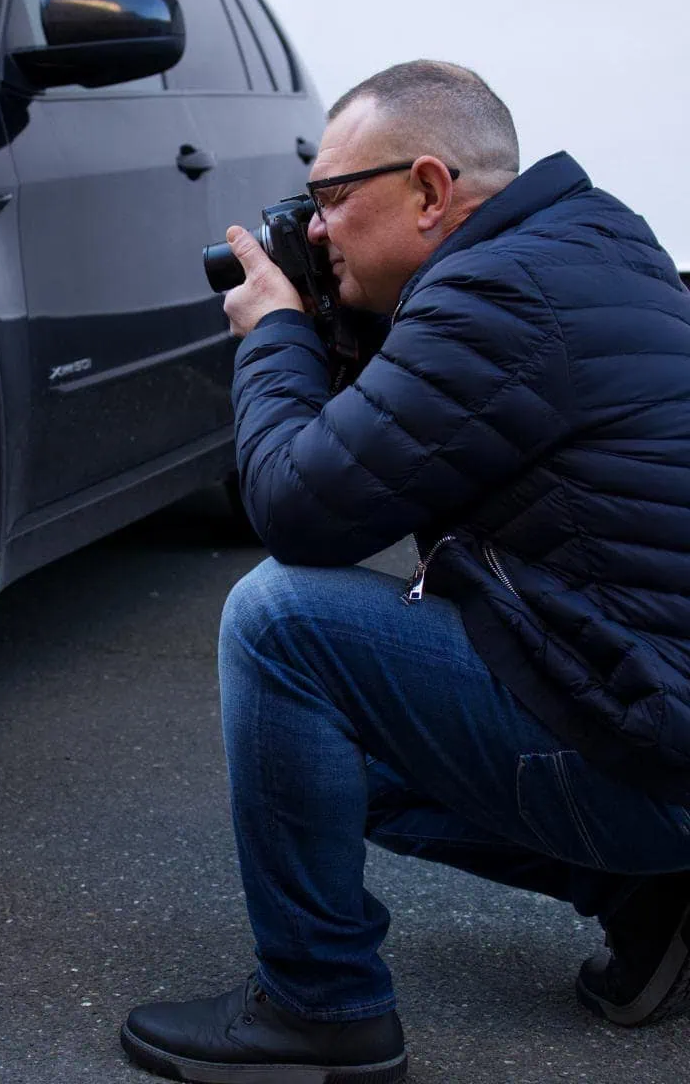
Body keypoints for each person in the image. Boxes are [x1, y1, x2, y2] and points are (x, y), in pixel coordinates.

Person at [119, 60, 690, 1083]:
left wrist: (278, 334)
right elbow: (410, 448)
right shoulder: (594, 241)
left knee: (281, 623)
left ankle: (320, 1008)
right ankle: (657, 897)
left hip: (659, 746)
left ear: (429, 190)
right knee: (321, 760)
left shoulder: (495, 295)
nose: (318, 229)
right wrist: (346, 329)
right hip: (659, 707)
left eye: (332, 199)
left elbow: (300, 510)